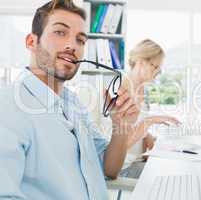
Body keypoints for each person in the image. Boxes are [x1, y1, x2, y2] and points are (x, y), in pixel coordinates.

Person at [0, 1, 138, 200]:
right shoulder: (7, 107)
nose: (72, 46)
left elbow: (109, 169)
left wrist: (120, 126)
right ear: (32, 42)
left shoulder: (73, 104)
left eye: (80, 40)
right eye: (60, 32)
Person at [118, 39, 180, 178]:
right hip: (122, 168)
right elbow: (116, 149)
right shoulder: (119, 91)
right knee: (174, 175)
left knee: (178, 165)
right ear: (140, 61)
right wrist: (149, 122)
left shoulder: (142, 90)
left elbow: (136, 129)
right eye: (155, 66)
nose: (159, 72)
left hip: (138, 161)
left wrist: (150, 138)